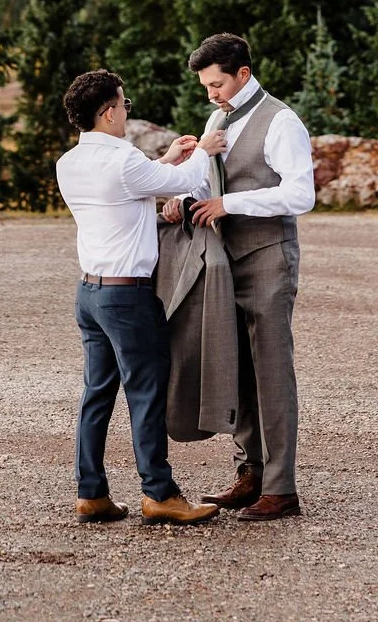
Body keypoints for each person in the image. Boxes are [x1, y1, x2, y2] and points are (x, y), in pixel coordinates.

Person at [56, 68, 223, 528]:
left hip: (90, 293)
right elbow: (167, 182)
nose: (126, 112)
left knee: (97, 394)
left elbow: (138, 184)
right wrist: (203, 151)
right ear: (109, 112)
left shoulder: (69, 163)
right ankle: (160, 493)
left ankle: (91, 493)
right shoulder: (123, 160)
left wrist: (167, 157)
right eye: (124, 105)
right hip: (128, 298)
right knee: (146, 393)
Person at [162, 33, 315, 521]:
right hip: (224, 259)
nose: (211, 94)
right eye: (205, 86)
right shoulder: (217, 119)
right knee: (239, 366)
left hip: (269, 256)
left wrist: (231, 204)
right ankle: (249, 474)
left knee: (271, 367)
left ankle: (282, 487)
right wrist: (184, 199)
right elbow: (209, 184)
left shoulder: (282, 121)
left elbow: (301, 195)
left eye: (217, 84)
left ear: (242, 74)